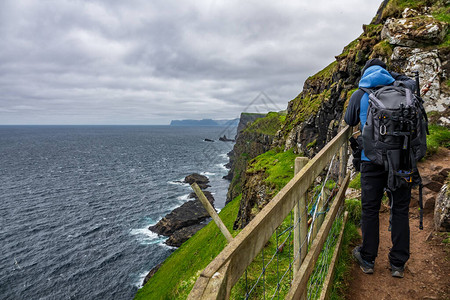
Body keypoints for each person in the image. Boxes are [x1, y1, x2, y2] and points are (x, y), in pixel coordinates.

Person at [344, 58, 417, 278]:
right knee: (400, 209)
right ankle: (398, 264)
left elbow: (349, 120)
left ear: (366, 74)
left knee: (370, 210)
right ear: (387, 73)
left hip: (371, 160)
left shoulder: (360, 94)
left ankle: (367, 259)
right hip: (401, 160)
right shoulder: (403, 91)